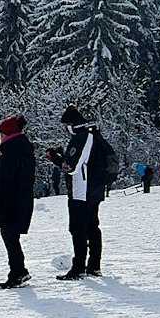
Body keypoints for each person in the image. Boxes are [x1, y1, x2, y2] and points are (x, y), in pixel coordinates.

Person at [54, 106, 113, 280]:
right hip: (94, 189)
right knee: (93, 227)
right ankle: (94, 266)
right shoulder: (93, 134)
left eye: (65, 126)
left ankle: (78, 268)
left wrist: (56, 158)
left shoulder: (82, 137)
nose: (64, 129)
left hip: (82, 191)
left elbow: (71, 167)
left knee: (78, 228)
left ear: (71, 124)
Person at [0, 116, 37, 288]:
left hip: (12, 201)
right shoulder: (21, 149)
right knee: (10, 235)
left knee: (9, 235)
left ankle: (18, 272)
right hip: (21, 199)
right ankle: (18, 271)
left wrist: (1, 206)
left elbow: (6, 181)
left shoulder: (10, 152)